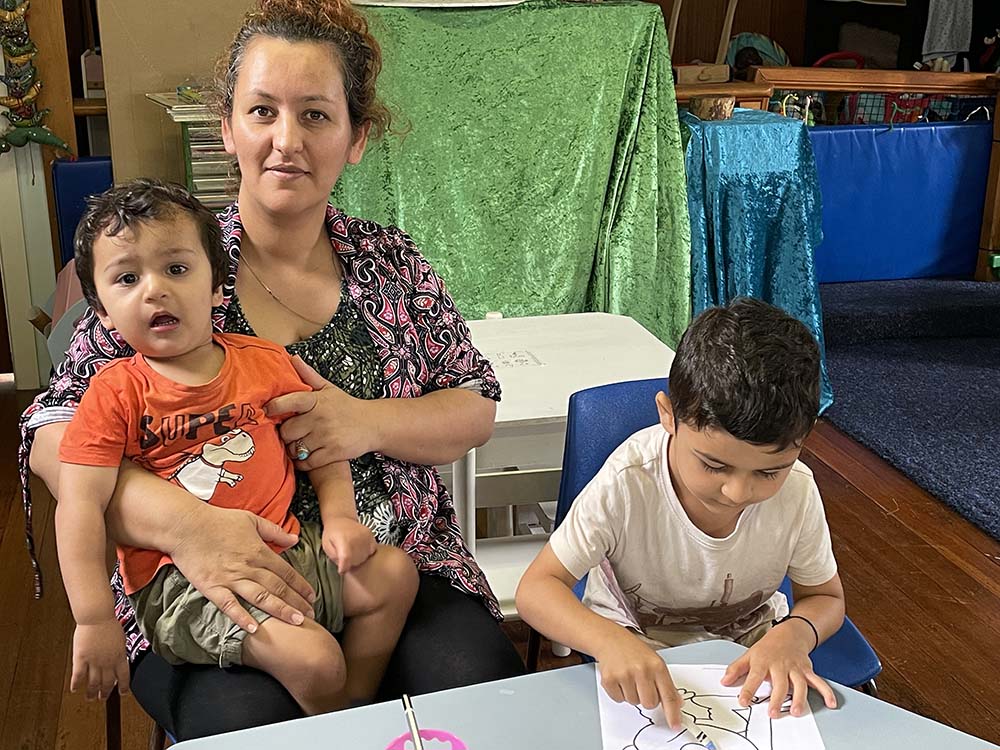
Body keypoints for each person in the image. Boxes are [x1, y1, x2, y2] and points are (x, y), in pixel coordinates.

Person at [20, 0, 524, 738]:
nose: (286, 141)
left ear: (357, 136)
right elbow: (52, 433)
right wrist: (188, 526)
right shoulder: (167, 268)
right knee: (253, 731)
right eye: (262, 111)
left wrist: (360, 422)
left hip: (394, 559)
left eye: (316, 115)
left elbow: (474, 404)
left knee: (482, 704)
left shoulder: (393, 264)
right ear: (227, 127)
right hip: (206, 584)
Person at [56, 178, 417, 715]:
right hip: (185, 583)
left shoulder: (265, 362)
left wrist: (340, 518)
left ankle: (354, 708)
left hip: (291, 548)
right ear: (102, 312)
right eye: (127, 278)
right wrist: (94, 618)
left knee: (395, 576)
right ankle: (341, 725)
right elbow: (80, 506)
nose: (154, 289)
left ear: (216, 288)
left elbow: (319, 445)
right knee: (317, 659)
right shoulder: (113, 394)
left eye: (176, 268)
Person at [516, 298, 845, 729]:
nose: (737, 492)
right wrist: (608, 641)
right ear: (668, 415)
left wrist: (795, 634)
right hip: (633, 643)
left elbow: (825, 598)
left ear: (804, 439)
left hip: (750, 654)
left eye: (769, 472)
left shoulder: (798, 489)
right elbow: (537, 589)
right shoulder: (627, 482)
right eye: (713, 465)